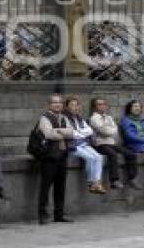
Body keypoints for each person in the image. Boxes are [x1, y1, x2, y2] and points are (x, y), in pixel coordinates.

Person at [36, 94, 74, 224]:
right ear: (49, 105)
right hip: (49, 157)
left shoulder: (64, 117)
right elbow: (48, 134)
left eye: (60, 102)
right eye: (54, 102)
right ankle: (42, 215)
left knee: (60, 187)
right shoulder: (44, 118)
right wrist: (63, 133)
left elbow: (72, 132)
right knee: (45, 187)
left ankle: (59, 214)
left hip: (62, 156)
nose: (58, 104)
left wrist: (58, 132)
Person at [88, 97, 139, 189]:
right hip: (99, 144)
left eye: (103, 104)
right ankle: (114, 180)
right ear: (94, 107)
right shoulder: (93, 118)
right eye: (99, 104)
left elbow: (115, 130)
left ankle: (132, 178)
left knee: (131, 154)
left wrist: (108, 129)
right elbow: (104, 131)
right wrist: (109, 129)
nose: (102, 106)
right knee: (113, 154)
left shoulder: (109, 117)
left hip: (111, 143)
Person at [63, 96, 105, 194]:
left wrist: (79, 132)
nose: (75, 107)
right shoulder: (64, 118)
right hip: (72, 146)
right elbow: (71, 134)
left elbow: (89, 130)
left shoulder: (79, 118)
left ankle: (97, 182)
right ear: (67, 107)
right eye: (72, 105)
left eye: (76, 105)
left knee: (99, 157)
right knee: (90, 158)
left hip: (83, 144)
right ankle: (91, 183)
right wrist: (80, 133)